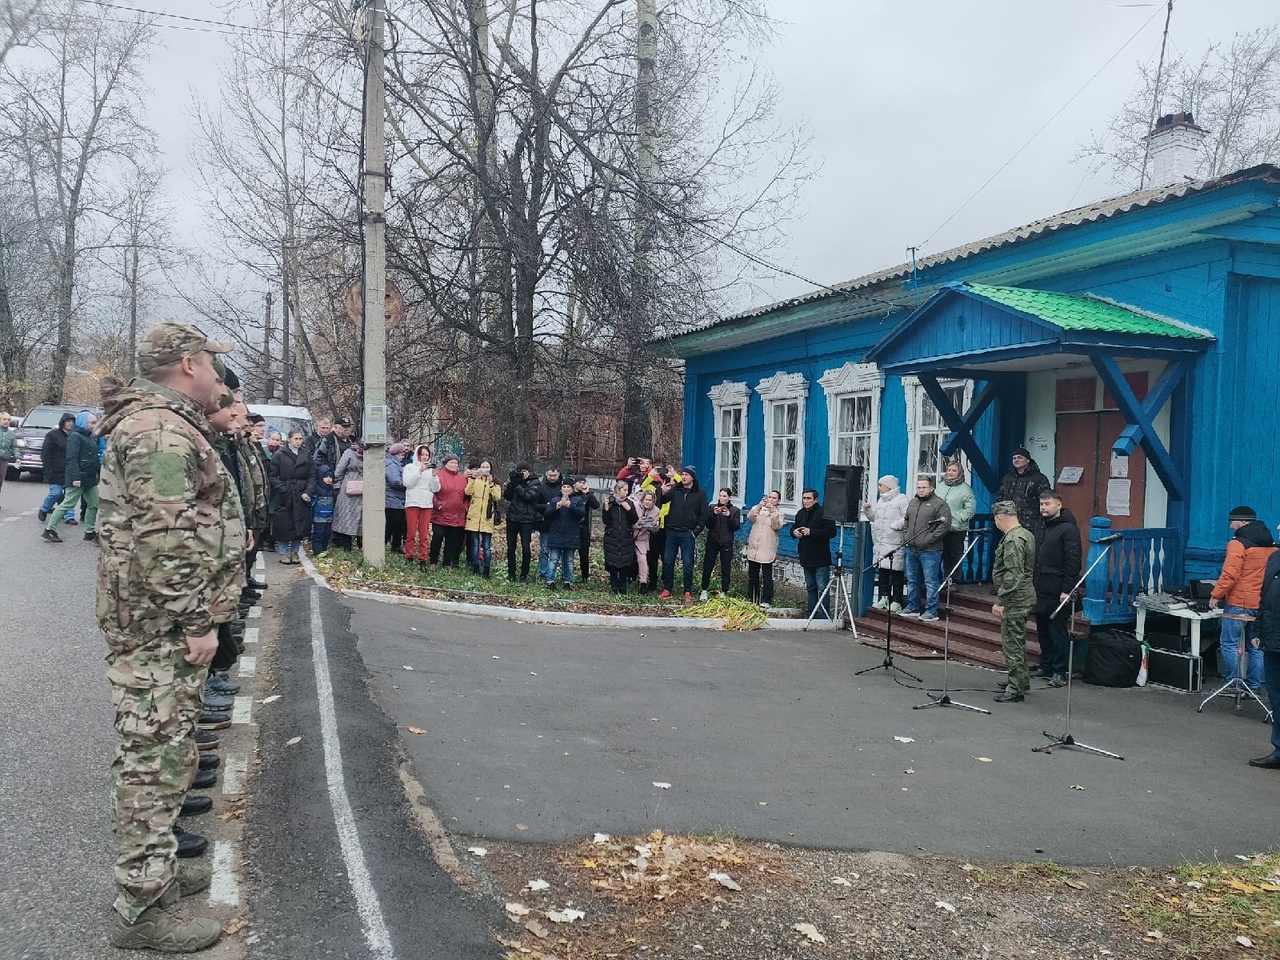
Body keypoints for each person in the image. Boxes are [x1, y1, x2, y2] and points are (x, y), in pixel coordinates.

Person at [96, 321, 240, 951]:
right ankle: (142, 909)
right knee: (153, 763)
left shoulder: (169, 424)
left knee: (170, 753)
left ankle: (159, 879)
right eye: (212, 363)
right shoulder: (158, 430)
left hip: (160, 624)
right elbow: (167, 541)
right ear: (188, 364)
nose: (217, 375)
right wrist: (198, 621)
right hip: (163, 627)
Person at [1209, 505, 1275, 690]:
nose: (1231, 526)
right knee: (1256, 646)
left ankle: (1233, 684)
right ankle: (1253, 687)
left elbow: (1230, 574)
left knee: (1229, 644)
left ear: (1243, 521)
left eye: (1233, 521)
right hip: (1260, 603)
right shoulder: (1269, 544)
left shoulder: (1237, 544)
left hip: (1238, 603)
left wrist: (1216, 595)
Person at [1032, 489, 1081, 688]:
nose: (1043, 507)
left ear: (1058, 504)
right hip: (1039, 585)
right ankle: (1046, 664)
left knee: (1057, 631)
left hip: (1058, 587)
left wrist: (1066, 589)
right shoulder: (1040, 526)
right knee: (1042, 628)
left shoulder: (1069, 529)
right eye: (1042, 504)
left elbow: (1073, 561)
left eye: (1047, 504)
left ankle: (1060, 671)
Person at [990, 500, 1036, 703]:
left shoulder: (1013, 540)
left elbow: (1013, 575)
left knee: (1012, 643)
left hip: (1015, 598)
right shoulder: (1026, 534)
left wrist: (1001, 601)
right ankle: (1021, 679)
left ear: (1000, 518)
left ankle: (1015, 687)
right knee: (1018, 639)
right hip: (1024, 595)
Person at [42, 410, 100, 543]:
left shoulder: (89, 436)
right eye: (92, 422)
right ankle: (50, 530)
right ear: (83, 423)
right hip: (78, 477)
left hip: (89, 478)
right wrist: (75, 477)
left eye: (95, 423)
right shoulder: (75, 437)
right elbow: (71, 458)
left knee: (94, 504)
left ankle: (89, 532)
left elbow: (93, 457)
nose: (94, 425)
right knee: (68, 503)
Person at [900, 476, 951, 622]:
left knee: (930, 581)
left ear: (931, 488)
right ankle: (913, 606)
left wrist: (929, 539)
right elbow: (906, 520)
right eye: (918, 487)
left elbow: (944, 525)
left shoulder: (939, 504)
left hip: (931, 550)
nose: (921, 490)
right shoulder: (913, 502)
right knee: (912, 580)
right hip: (912, 548)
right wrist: (906, 535)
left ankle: (932, 610)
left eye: (924, 487)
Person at [1249, 536, 1280, 769]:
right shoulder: (1275, 557)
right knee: (1277, 698)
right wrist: (1257, 629)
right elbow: (1265, 597)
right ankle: (1279, 749)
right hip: (1272, 638)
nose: (1278, 527)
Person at [656, 465, 710, 601]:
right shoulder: (676, 490)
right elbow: (662, 501)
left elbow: (704, 515)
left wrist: (696, 532)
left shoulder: (700, 493)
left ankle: (687, 590)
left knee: (687, 563)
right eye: (683, 474)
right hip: (672, 531)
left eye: (687, 475)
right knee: (668, 561)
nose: (684, 477)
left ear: (692, 477)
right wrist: (662, 492)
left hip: (688, 533)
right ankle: (667, 589)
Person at [863, 475, 909, 612]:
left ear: (888, 486)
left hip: (895, 541)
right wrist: (868, 510)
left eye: (881, 485)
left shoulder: (902, 499)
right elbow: (874, 518)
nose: (879, 488)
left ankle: (896, 600)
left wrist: (895, 526)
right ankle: (884, 597)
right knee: (883, 572)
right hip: (881, 541)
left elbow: (907, 517)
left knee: (896, 573)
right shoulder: (881, 501)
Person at [792, 488, 837, 619]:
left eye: (808, 498)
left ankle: (823, 615)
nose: (806, 501)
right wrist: (794, 532)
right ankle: (811, 613)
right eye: (804, 498)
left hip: (820, 556)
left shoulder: (824, 513)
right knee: (811, 587)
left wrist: (811, 532)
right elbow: (794, 526)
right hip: (805, 555)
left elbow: (831, 531)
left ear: (816, 500)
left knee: (822, 588)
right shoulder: (800, 513)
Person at [269, 429, 313, 563]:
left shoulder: (306, 454)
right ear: (289, 439)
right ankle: (283, 553)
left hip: (300, 493)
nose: (299, 441)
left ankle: (295, 552)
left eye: (300, 439)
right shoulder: (279, 455)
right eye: (296, 439)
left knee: (299, 524)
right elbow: (272, 475)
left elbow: (312, 475)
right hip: (285, 494)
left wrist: (308, 491)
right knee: (283, 524)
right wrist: (282, 488)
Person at [996, 447, 1050, 540]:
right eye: (1014, 458)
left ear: (1028, 460)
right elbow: (1000, 498)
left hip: (1031, 524)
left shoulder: (1039, 478)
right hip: (1009, 523)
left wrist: (1042, 522)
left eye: (1020, 457)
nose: (1016, 460)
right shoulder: (1007, 478)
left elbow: (1045, 500)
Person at [699, 487, 741, 600]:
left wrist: (729, 516)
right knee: (708, 566)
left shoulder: (735, 510)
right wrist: (714, 514)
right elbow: (708, 524)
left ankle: (724, 591)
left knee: (726, 568)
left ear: (729, 498)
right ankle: (704, 589)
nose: (722, 498)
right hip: (712, 541)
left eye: (725, 496)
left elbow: (736, 527)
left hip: (726, 543)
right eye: (721, 495)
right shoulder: (712, 507)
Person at [464, 458, 503, 577]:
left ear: (491, 469)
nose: (485, 469)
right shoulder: (475, 480)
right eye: (483, 467)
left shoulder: (495, 483)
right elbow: (467, 492)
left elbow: (497, 497)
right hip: (474, 516)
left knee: (486, 545)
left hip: (487, 517)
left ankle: (486, 569)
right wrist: (472, 479)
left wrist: (491, 484)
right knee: (475, 544)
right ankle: (475, 567)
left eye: (487, 467)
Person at [542, 479, 585, 589]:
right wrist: (556, 507)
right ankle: (550, 581)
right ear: (561, 489)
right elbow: (547, 514)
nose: (566, 489)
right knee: (553, 559)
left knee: (569, 560)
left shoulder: (578, 500)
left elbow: (581, 514)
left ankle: (568, 581)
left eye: (568, 487)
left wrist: (570, 506)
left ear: (572, 488)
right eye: (564, 487)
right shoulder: (554, 500)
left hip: (571, 534)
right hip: (556, 534)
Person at [503, 462, 541, 582]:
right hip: (513, 518)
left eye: (524, 471)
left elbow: (528, 497)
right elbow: (507, 497)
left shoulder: (535, 482)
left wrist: (517, 485)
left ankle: (524, 574)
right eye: (520, 471)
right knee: (510, 547)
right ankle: (511, 572)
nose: (522, 473)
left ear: (529, 471)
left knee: (525, 548)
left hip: (526, 519)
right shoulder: (515, 482)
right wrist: (511, 484)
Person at [938, 460, 976, 579]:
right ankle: (945, 579)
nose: (951, 473)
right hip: (941, 526)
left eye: (954, 470)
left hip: (956, 528)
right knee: (944, 554)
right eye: (949, 470)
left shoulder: (965, 489)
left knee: (955, 555)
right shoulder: (941, 486)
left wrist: (958, 518)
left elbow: (970, 509)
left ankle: (955, 580)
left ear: (959, 472)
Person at [745, 490, 783, 608]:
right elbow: (750, 517)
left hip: (767, 548)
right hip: (754, 548)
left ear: (778, 501)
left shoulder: (778, 513)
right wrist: (758, 506)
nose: (771, 500)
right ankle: (752, 597)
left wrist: (772, 511)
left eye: (774, 498)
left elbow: (776, 525)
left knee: (767, 576)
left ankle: (767, 599)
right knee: (753, 575)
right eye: (769, 497)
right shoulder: (760, 511)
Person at [403, 444, 440, 567]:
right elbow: (408, 483)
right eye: (422, 454)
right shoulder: (409, 467)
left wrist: (434, 476)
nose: (425, 457)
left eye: (427, 455)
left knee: (424, 534)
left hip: (426, 504)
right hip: (413, 502)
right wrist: (420, 471)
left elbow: (435, 489)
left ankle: (423, 558)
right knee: (411, 533)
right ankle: (409, 556)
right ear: (417, 455)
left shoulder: (430, 471)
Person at [429, 453, 468, 566]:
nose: (454, 465)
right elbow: (432, 492)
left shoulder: (462, 478)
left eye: (456, 463)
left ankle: (447, 563)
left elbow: (467, 496)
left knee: (452, 540)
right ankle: (433, 561)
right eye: (451, 462)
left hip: (457, 515)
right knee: (438, 537)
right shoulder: (439, 475)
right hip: (440, 514)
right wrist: (439, 505)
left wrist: (464, 507)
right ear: (445, 464)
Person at [37, 411, 75, 522]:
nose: (70, 424)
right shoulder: (53, 435)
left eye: (72, 422)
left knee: (70, 494)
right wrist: (47, 469)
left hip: (69, 470)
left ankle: (69, 516)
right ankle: (44, 508)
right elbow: (45, 453)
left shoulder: (74, 436)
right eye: (68, 421)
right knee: (56, 492)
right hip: (55, 470)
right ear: (63, 422)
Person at [602, 480, 638, 594]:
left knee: (625, 563)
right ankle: (614, 587)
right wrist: (606, 508)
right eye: (624, 490)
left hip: (625, 536)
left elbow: (634, 520)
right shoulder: (611, 502)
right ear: (617, 490)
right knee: (612, 564)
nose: (626, 492)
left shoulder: (630, 503)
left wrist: (629, 510)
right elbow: (605, 520)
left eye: (627, 490)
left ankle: (623, 587)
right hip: (612, 537)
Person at [533, 465, 565, 581]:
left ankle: (556, 573)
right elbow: (535, 505)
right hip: (545, 523)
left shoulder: (563, 487)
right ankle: (543, 572)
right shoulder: (541, 487)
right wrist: (547, 506)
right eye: (550, 475)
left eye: (555, 475)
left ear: (558, 474)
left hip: (559, 523)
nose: (552, 478)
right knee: (544, 550)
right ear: (546, 474)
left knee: (558, 551)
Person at [332, 441, 365, 551]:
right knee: (347, 516)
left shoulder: (372, 453)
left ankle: (363, 545)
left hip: (366, 489)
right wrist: (337, 485)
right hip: (349, 488)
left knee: (363, 517)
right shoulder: (349, 452)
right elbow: (339, 470)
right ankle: (347, 546)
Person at [632, 488, 661, 594]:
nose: (648, 502)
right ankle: (626, 579)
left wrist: (654, 526)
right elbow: (628, 522)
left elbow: (655, 530)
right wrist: (638, 524)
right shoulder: (634, 506)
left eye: (650, 500)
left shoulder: (656, 510)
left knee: (642, 559)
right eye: (646, 499)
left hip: (642, 537)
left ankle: (643, 583)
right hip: (630, 535)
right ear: (642, 499)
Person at [574, 476, 601, 580]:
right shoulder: (571, 495)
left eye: (583, 482)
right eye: (579, 482)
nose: (582, 484)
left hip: (584, 528)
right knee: (569, 554)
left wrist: (588, 494)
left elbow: (596, 505)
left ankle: (585, 577)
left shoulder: (587, 496)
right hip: (572, 527)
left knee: (584, 554)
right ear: (575, 484)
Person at [385, 442, 409, 555]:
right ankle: (386, 543)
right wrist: (407, 485)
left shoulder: (397, 464)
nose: (403, 456)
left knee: (399, 524)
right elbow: (395, 481)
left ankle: (396, 545)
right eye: (401, 453)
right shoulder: (391, 464)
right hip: (392, 499)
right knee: (391, 524)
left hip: (398, 500)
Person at [0, 411, 16, 506]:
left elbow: (14, 447)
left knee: (0, 481)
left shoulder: (11, 434)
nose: (6, 421)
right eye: (4, 419)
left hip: (4, 460)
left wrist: (18, 457)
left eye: (8, 420)